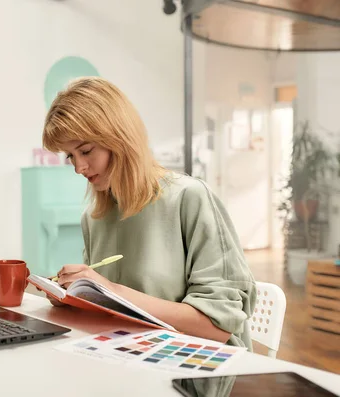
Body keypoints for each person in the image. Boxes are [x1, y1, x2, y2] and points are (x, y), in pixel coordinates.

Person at [42, 77, 256, 348]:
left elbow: (215, 326)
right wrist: (74, 297)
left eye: (86, 150)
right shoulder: (94, 218)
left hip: (194, 368)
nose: (79, 167)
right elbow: (111, 315)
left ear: (118, 138)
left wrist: (109, 290)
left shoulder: (189, 198)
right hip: (126, 357)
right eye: (70, 156)